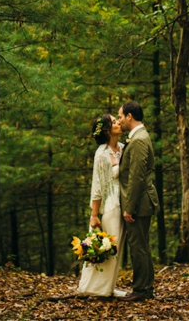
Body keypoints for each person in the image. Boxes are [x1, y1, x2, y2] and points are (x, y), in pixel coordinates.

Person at [76, 113, 125, 297]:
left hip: (124, 201)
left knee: (117, 246)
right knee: (108, 246)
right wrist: (94, 214)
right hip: (110, 204)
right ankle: (96, 289)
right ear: (106, 130)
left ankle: (109, 287)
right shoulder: (101, 154)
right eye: (113, 122)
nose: (118, 123)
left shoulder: (122, 147)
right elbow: (97, 187)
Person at [117, 100, 158, 301]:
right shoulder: (136, 137)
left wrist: (129, 207)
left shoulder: (140, 139)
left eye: (120, 117)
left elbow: (137, 176)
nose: (119, 121)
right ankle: (144, 288)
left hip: (139, 203)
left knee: (138, 246)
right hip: (139, 202)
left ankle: (142, 289)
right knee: (140, 245)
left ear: (129, 116)